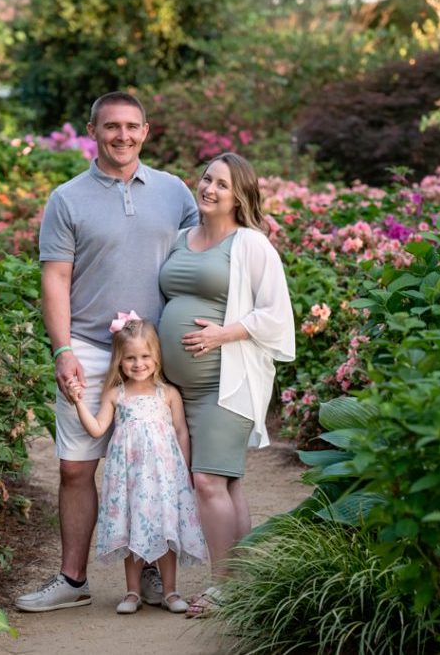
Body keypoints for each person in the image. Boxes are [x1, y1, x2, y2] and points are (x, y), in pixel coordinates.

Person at [15, 92, 198, 613]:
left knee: (155, 465)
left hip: (154, 358)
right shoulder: (68, 199)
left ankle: (153, 577)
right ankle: (73, 580)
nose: (122, 135)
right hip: (92, 350)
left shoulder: (175, 191)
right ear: (92, 130)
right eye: (111, 126)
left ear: (147, 130)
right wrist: (62, 350)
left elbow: (204, 253)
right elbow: (55, 279)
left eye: (132, 126)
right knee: (76, 468)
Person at [157, 152, 295, 617]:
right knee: (227, 482)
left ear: (239, 196)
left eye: (221, 184)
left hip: (227, 382)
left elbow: (277, 315)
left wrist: (223, 333)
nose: (208, 188)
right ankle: (244, 580)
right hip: (180, 389)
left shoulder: (251, 245)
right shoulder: (180, 238)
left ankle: (222, 588)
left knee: (208, 480)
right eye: (206, 178)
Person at [68, 318, 207, 614]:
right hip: (128, 479)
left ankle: (170, 592)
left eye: (145, 356)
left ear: (156, 356)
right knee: (131, 529)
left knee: (166, 529)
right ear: (119, 360)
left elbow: (181, 431)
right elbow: (96, 428)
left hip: (164, 477)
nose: (138, 363)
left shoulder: (168, 394)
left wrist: (185, 469)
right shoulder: (115, 395)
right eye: (130, 357)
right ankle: (132, 592)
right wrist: (78, 401)